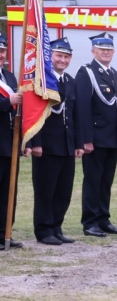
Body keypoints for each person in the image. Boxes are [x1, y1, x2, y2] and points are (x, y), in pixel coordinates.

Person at [25, 38, 82, 245]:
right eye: (59, 55)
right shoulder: (42, 81)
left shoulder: (70, 81)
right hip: (46, 146)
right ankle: (44, 230)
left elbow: (75, 115)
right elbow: (34, 115)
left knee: (63, 191)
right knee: (45, 190)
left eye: (66, 56)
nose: (63, 60)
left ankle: (57, 226)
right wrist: (35, 142)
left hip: (66, 145)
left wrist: (78, 144)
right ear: (50, 57)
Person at [76, 33, 117, 236]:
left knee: (106, 181)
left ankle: (103, 218)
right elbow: (83, 108)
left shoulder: (114, 74)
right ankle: (90, 222)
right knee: (93, 180)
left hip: (112, 138)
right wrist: (86, 139)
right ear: (93, 51)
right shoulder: (86, 73)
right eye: (101, 49)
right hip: (96, 139)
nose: (106, 52)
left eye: (109, 49)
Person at [0, 38, 19, 248]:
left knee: (8, 192)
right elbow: (9, 103)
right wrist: (8, 103)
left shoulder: (9, 76)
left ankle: (4, 233)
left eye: (3, 51)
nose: (1, 55)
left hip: (9, 143)